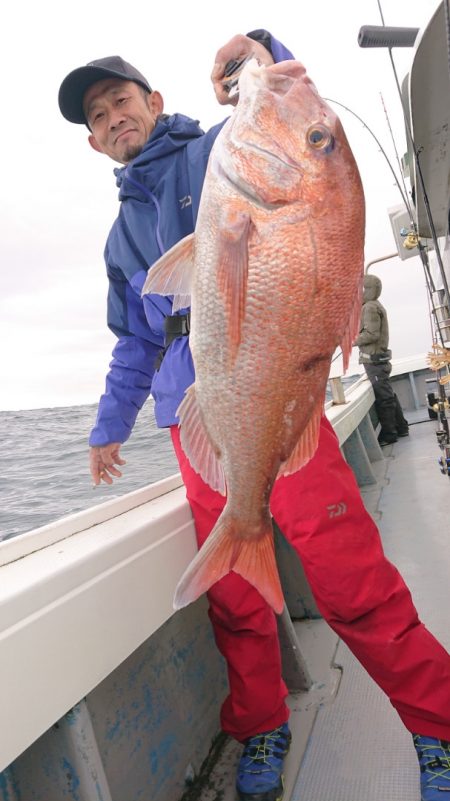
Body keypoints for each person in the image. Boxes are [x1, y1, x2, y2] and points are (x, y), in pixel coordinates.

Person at [58, 32, 450, 801]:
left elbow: (297, 127)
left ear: (155, 104)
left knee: (350, 578)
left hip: (277, 400)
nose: (113, 119)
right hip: (195, 422)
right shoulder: (118, 238)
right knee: (234, 598)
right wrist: (110, 424)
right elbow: (134, 342)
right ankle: (261, 720)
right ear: (95, 141)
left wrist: (258, 55)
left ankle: (438, 723)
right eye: (97, 118)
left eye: (121, 102)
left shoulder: (215, 155)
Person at [355, 273, 409, 445]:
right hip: (380, 360)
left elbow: (371, 334)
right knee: (388, 394)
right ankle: (402, 427)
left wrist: (350, 341)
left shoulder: (369, 307)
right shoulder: (376, 305)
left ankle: (389, 434)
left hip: (374, 362)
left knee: (384, 398)